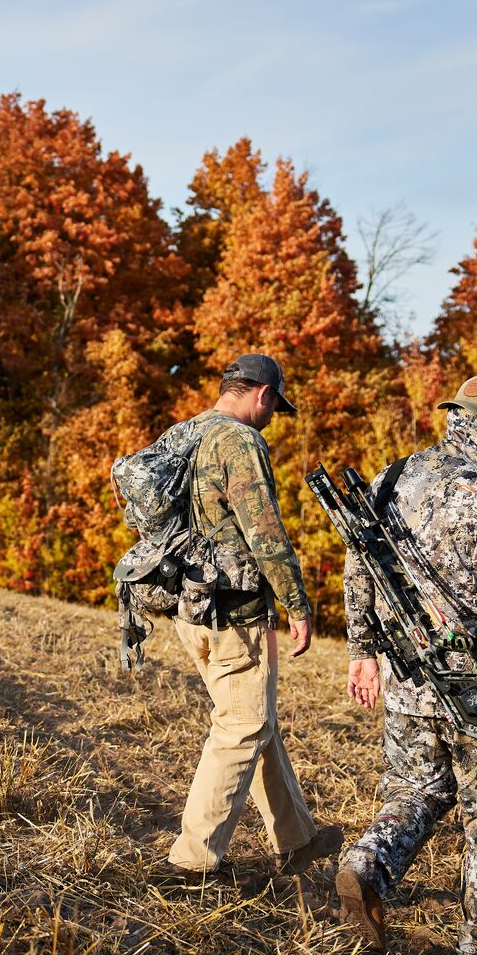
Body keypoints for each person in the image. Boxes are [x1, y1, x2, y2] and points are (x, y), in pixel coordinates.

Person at [333, 372, 477, 955]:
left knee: (416, 791)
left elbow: (358, 570)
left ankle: (367, 865)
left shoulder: (392, 477)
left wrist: (363, 652)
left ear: (456, 415)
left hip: (407, 679)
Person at [164, 353, 343, 877]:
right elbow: (264, 533)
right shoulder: (239, 441)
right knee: (242, 726)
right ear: (263, 395)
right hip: (234, 612)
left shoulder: (186, 434)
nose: (271, 418)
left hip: (189, 608)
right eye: (274, 407)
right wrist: (298, 603)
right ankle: (192, 862)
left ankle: (296, 839)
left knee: (257, 720)